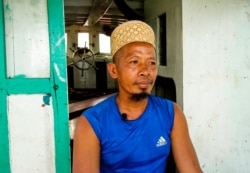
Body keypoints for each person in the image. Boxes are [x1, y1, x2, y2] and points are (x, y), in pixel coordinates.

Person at [73, 20, 202, 173]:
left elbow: (191, 170)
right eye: (134, 61)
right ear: (113, 70)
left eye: (151, 62)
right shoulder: (92, 122)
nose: (145, 71)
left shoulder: (171, 113)